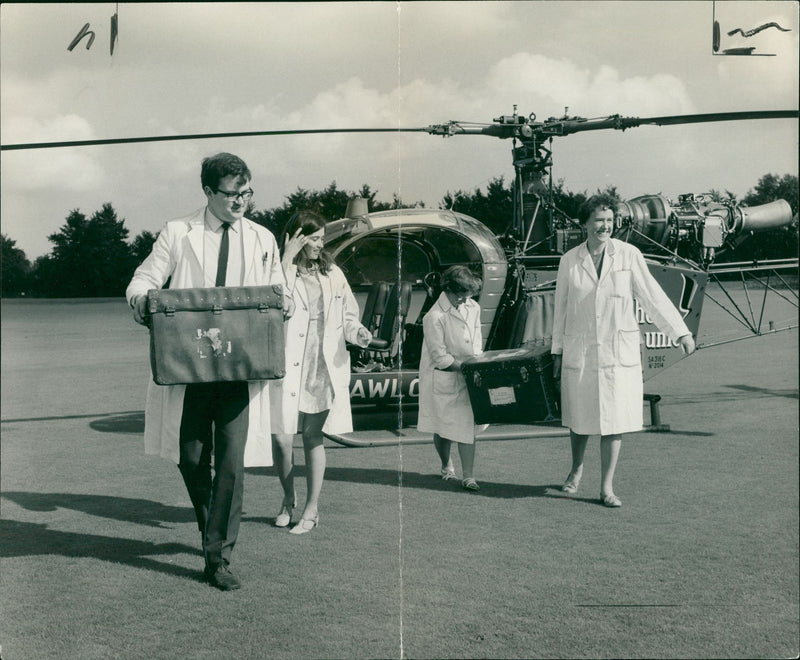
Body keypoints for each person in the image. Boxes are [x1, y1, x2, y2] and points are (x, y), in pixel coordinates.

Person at [126, 152, 288, 590]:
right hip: (189, 369)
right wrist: (142, 301)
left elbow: (280, 292)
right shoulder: (179, 232)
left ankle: (218, 558)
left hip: (240, 367)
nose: (241, 201)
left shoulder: (263, 238)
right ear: (208, 192)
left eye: (247, 192)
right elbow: (143, 280)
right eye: (232, 194)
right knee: (193, 457)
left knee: (232, 463)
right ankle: (210, 524)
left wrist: (285, 304)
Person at [551, 193, 696, 508]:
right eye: (599, 221)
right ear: (585, 223)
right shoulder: (569, 261)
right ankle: (576, 468)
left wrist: (680, 332)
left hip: (619, 354)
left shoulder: (629, 255)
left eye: (609, 221)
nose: (605, 226)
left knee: (613, 420)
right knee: (580, 418)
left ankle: (606, 487)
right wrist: (557, 351)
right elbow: (560, 309)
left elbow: (652, 297)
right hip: (582, 351)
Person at [270, 211, 372, 534]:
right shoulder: (277, 270)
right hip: (286, 365)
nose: (319, 244)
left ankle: (311, 510)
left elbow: (348, 314)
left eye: (321, 238)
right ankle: (289, 499)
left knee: (313, 436)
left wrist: (359, 333)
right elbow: (275, 302)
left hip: (321, 365)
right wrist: (285, 259)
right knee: (281, 440)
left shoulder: (333, 273)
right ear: (296, 238)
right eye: (313, 238)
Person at [417, 265, 485, 491]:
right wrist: (465, 368)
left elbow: (477, 341)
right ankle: (446, 464)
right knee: (443, 427)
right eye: (460, 296)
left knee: (467, 426)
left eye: (468, 296)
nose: (464, 301)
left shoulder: (473, 307)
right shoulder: (434, 316)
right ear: (448, 290)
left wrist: (477, 364)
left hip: (469, 374)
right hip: (444, 376)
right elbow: (440, 357)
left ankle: (469, 476)